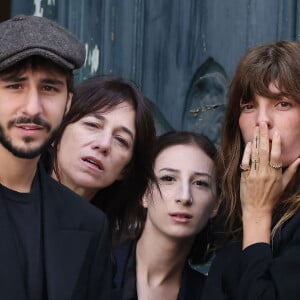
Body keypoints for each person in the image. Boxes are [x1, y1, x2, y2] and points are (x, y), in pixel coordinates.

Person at [0, 15, 111, 299]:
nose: (33, 107)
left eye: (49, 88)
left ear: (68, 103)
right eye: (15, 85)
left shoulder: (89, 223)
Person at [202, 41, 300, 300]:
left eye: (282, 103)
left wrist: (257, 215)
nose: (261, 120)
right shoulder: (231, 207)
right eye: (248, 106)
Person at [44, 75, 156, 244]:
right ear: (57, 135)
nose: (104, 144)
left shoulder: (103, 247)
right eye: (92, 125)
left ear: (125, 169)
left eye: (121, 140)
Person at [113, 131, 219, 300]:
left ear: (216, 205)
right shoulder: (97, 267)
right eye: (168, 178)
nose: (184, 197)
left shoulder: (209, 294)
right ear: (144, 193)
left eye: (200, 183)